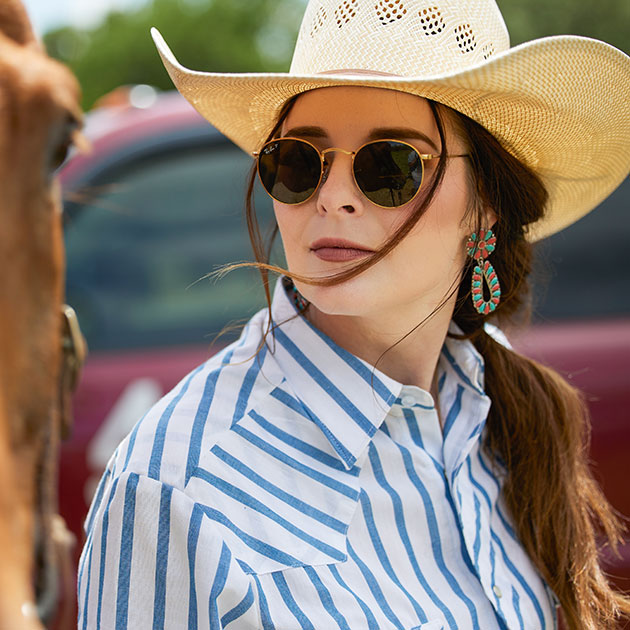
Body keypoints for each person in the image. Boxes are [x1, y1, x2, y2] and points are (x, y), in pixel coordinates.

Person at [77, 0, 630, 628]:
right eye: (297, 163)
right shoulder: (174, 489)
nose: (333, 198)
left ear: (485, 208)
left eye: (389, 166)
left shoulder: (506, 424)